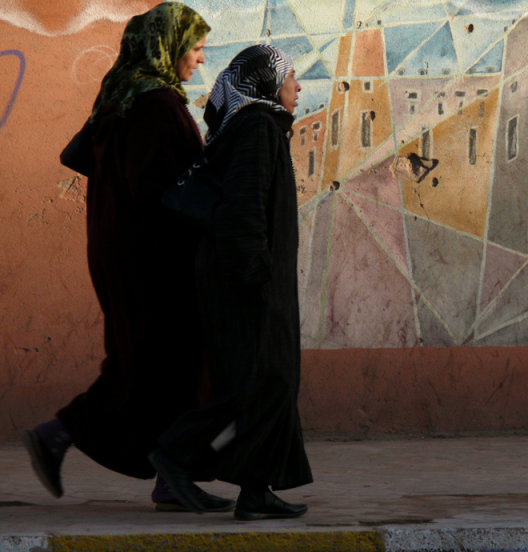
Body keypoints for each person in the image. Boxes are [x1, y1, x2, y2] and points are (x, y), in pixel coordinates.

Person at [21, 3, 233, 513]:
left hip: (123, 255)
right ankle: (69, 436)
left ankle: (159, 470)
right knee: (167, 361)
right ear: (168, 48)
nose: (201, 61)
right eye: (196, 48)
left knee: (146, 361)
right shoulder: (157, 106)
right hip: (154, 260)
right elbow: (157, 189)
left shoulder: (119, 98)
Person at [148, 44, 313, 521]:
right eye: (290, 77)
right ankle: (176, 455)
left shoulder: (251, 127)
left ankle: (256, 492)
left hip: (251, 277)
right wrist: (257, 279)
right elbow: (243, 212)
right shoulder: (257, 128)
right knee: (259, 382)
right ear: (266, 83)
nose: (298, 87)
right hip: (245, 281)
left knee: (267, 382)